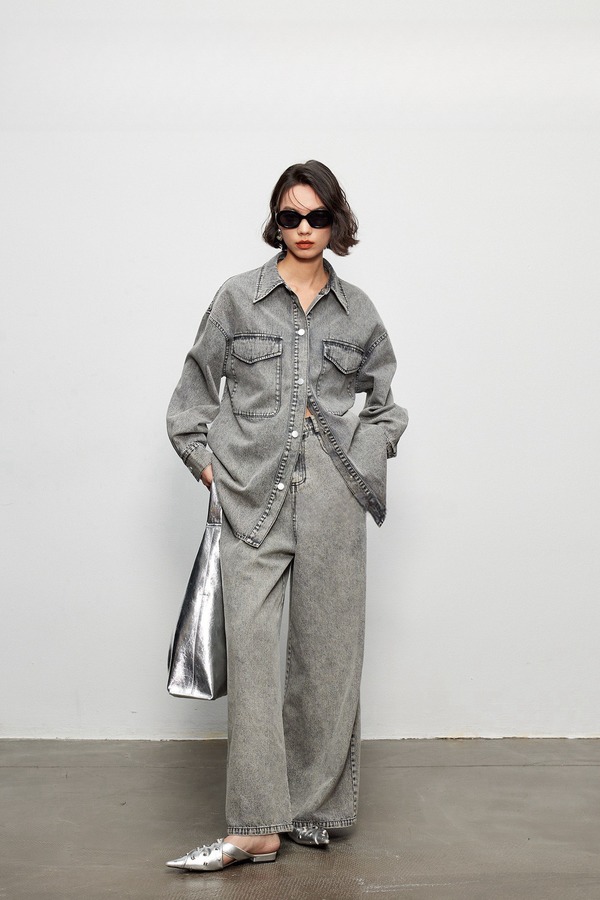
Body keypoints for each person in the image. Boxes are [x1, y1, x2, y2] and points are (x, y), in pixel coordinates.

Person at [165, 160, 408, 872]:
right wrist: (208, 466)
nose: (304, 229)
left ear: (336, 222)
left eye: (317, 217)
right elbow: (190, 399)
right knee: (252, 660)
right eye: (291, 216)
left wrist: (360, 462)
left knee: (326, 660)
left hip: (332, 504)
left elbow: (387, 405)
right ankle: (255, 825)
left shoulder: (358, 312)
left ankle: (311, 810)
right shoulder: (237, 299)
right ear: (276, 221)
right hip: (251, 502)